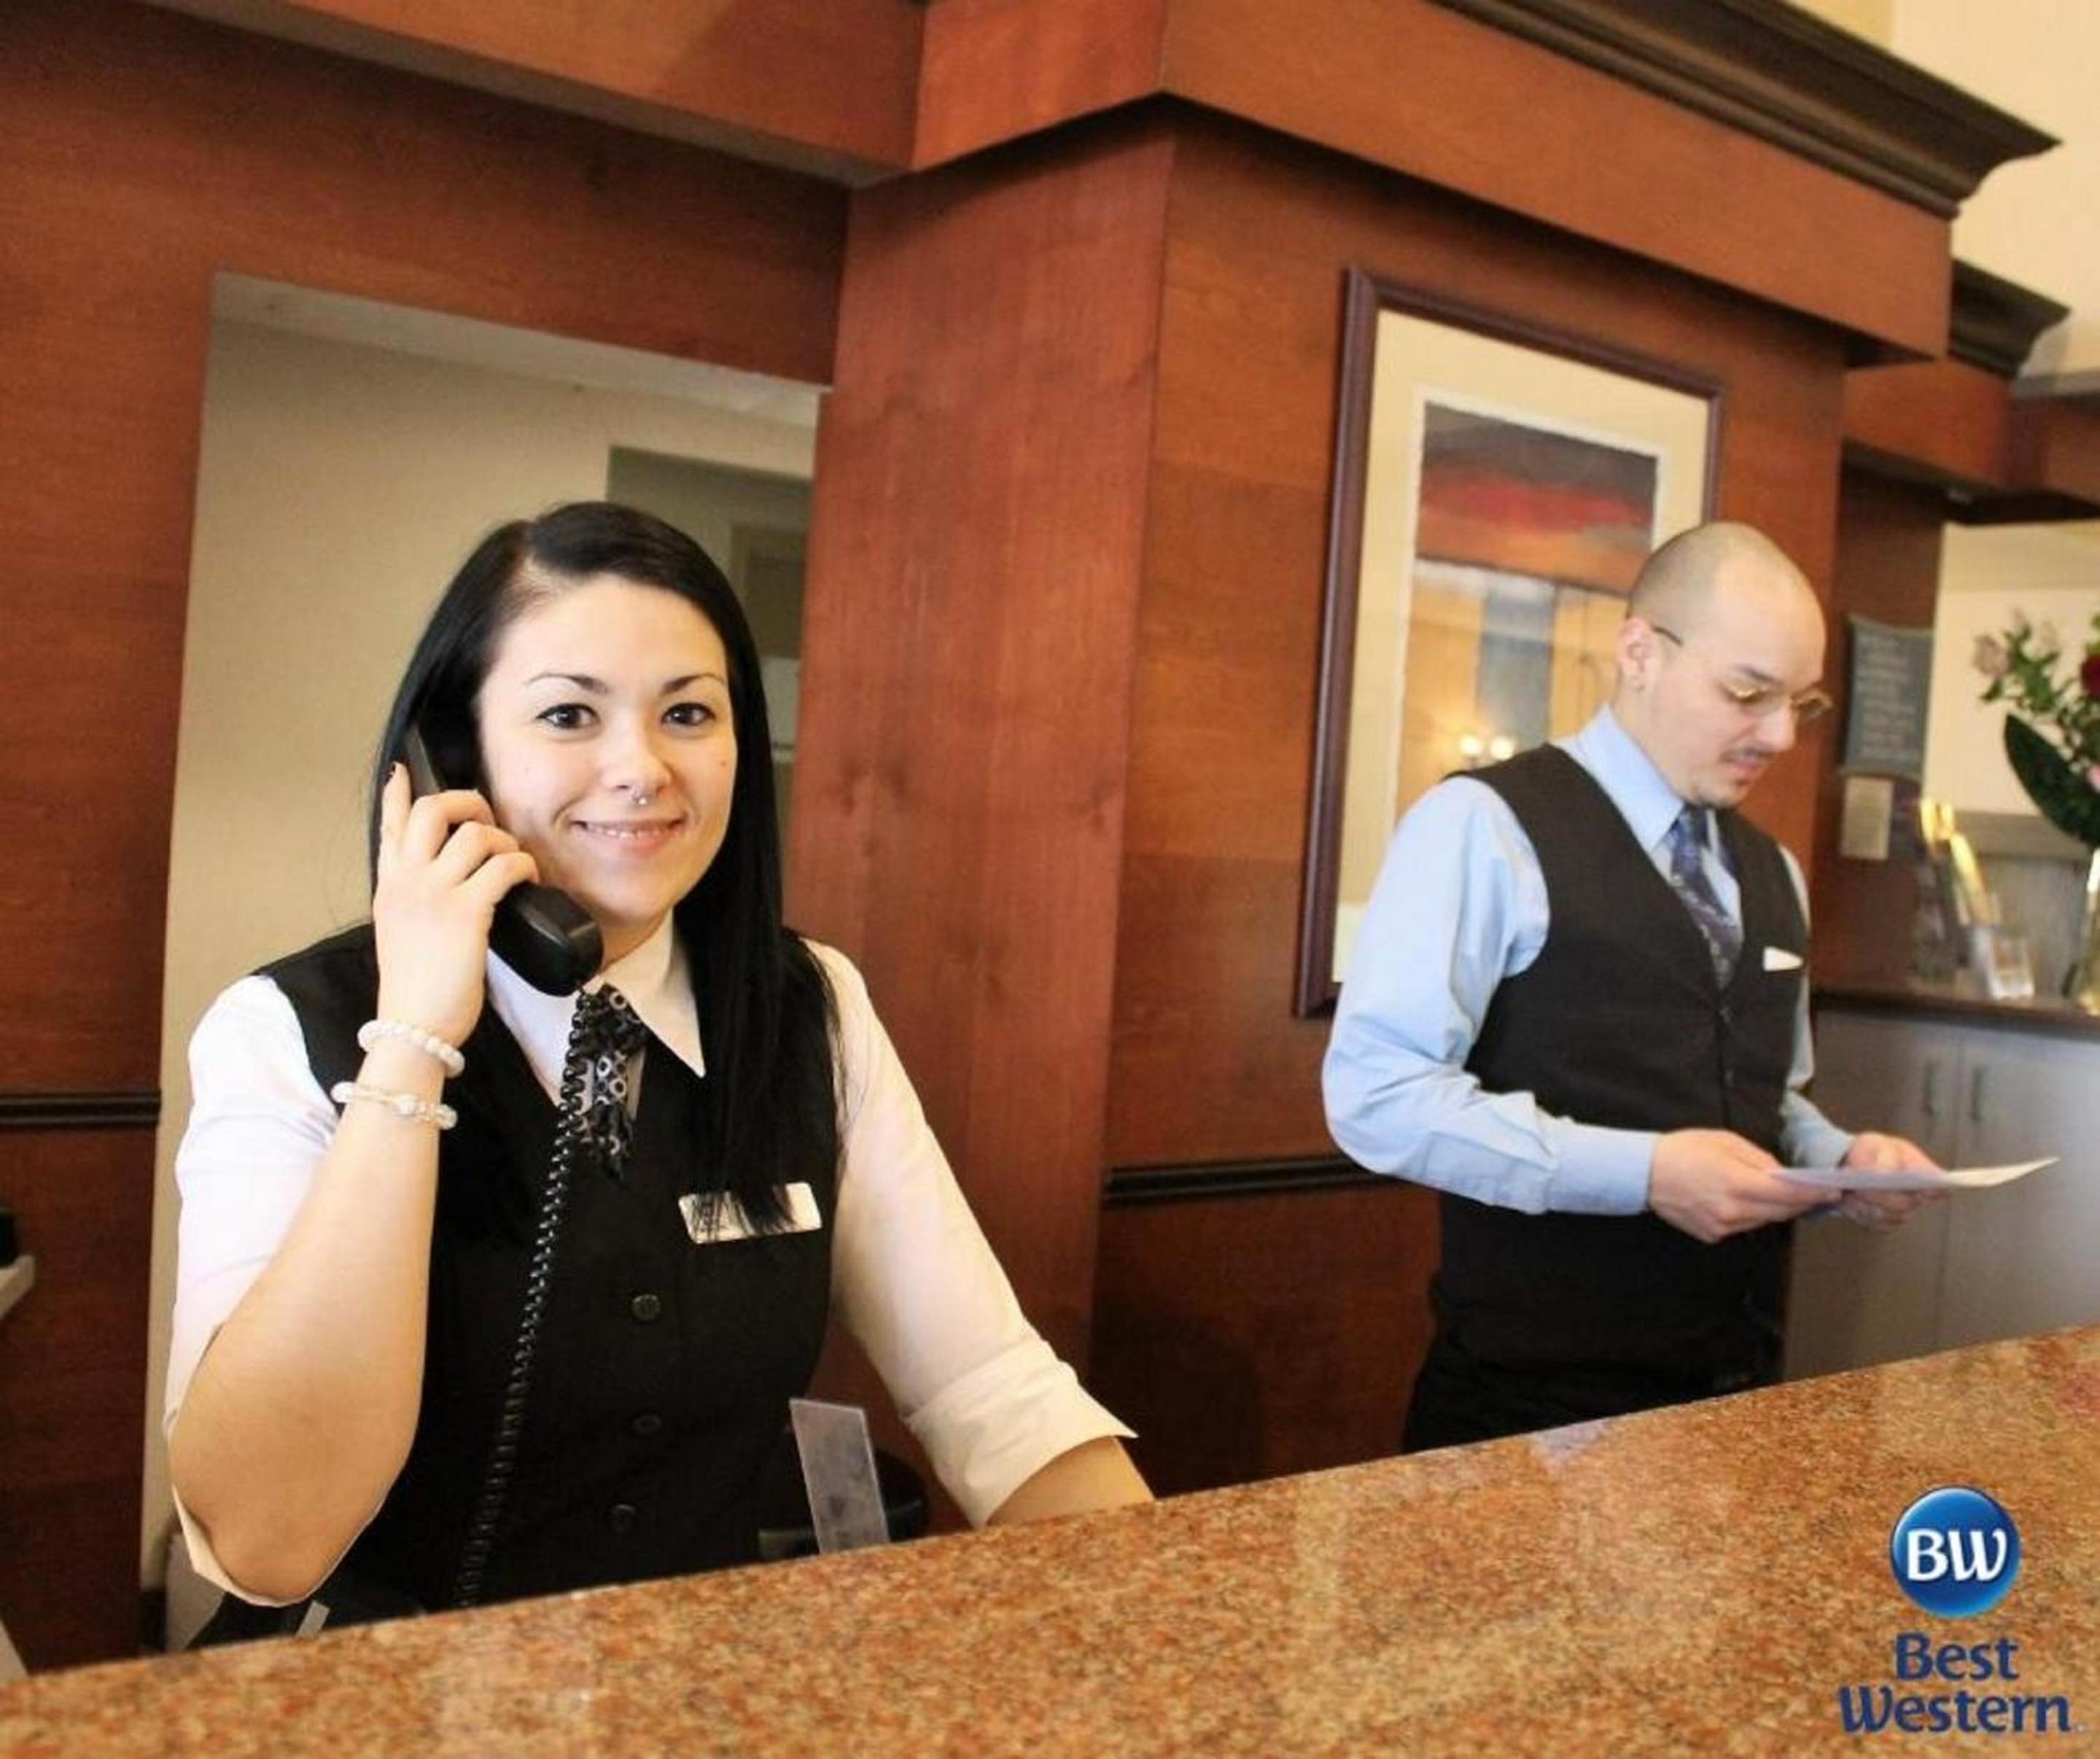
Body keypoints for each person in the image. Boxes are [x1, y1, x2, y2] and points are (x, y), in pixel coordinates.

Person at [166, 502, 1149, 1630]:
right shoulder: (283, 1028)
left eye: (688, 712)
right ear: (452, 757)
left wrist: (1176, 1617)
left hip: (697, 1687)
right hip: (371, 1691)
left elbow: (988, 1388)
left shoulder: (808, 1007)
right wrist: (413, 1041)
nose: (640, 768)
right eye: (568, 714)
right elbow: (267, 1540)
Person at [1323, 520, 1937, 1451]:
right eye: (1748, 693)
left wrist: (1841, 1162)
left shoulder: (1775, 871)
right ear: (1640, 652)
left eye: (1799, 704)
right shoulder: (1481, 826)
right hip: (1530, 1416)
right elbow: (1377, 1095)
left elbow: (1770, 1099)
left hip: (1738, 1400)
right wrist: (1644, 1174)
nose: (1778, 735)